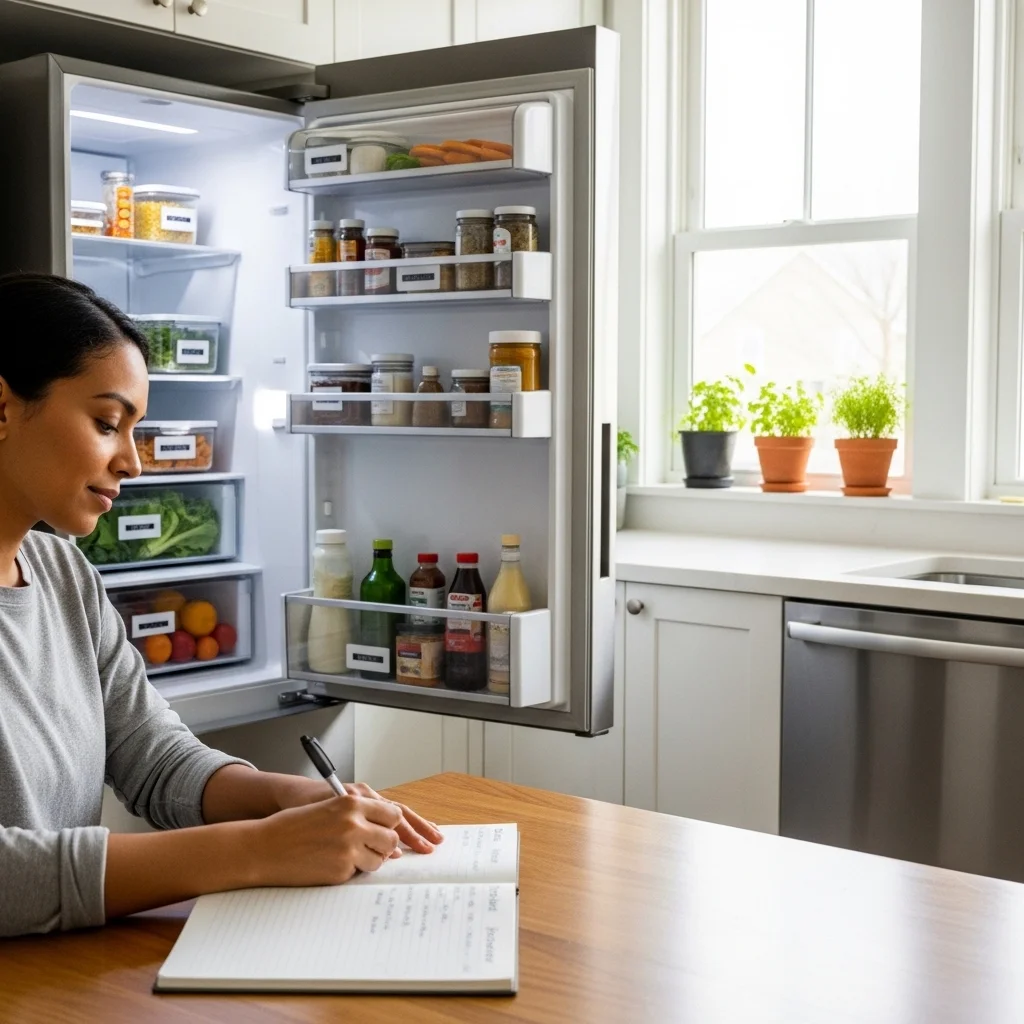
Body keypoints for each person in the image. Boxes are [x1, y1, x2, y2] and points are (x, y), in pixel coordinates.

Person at [0, 273, 442, 939]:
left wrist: (281, 798)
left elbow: (150, 753)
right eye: (107, 423)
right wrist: (254, 851)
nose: (133, 463)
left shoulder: (63, 573)